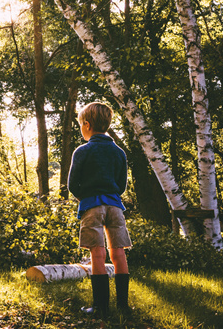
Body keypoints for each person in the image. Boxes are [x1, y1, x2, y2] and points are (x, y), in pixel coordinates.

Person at [67, 102, 132, 317]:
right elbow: (122, 185)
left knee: (98, 252)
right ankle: (123, 306)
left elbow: (72, 184)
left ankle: (100, 307)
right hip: (115, 206)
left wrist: (85, 197)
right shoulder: (119, 153)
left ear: (87, 124)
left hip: (92, 205)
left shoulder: (82, 151)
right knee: (119, 252)